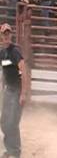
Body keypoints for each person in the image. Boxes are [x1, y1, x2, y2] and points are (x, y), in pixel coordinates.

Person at [0, 23, 27, 158]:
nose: (6, 36)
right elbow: (4, 72)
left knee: (12, 122)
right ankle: (9, 149)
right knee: (4, 122)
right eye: (4, 34)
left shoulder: (15, 51)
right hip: (8, 91)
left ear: (11, 35)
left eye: (8, 33)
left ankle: (15, 152)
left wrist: (23, 93)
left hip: (16, 91)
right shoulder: (2, 53)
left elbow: (23, 71)